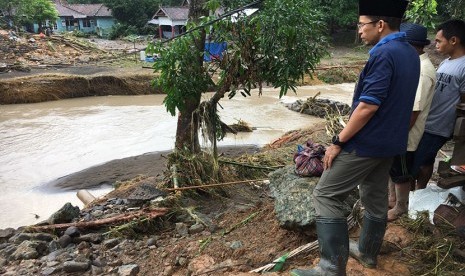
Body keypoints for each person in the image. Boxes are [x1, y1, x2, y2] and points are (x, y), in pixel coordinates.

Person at [290, 0, 420, 275]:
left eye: (362, 24)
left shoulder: (383, 54)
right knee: (373, 195)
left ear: (380, 25)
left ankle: (330, 268)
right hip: (390, 143)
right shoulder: (409, 52)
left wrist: (338, 141)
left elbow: (368, 106)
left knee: (326, 194)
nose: (359, 30)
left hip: (366, 143)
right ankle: (367, 252)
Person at [387, 22, 437, 221]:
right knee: (394, 167)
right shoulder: (415, 64)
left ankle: (401, 207)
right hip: (400, 129)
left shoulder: (422, 71)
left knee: (401, 171)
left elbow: (414, 110)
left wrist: (398, 134)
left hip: (406, 132)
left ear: (410, 45)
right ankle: (392, 199)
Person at [413, 19, 465, 190]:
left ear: (454, 40)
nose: (435, 44)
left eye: (439, 41)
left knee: (416, 163)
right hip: (428, 121)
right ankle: (419, 193)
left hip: (441, 126)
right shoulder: (446, 62)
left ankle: (410, 195)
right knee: (426, 161)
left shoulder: (463, 66)